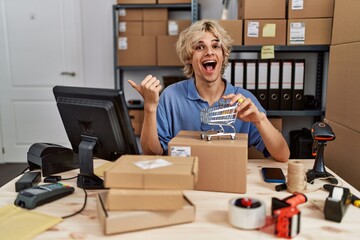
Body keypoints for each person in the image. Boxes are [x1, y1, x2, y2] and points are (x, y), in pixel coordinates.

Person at [128, 19, 290, 162]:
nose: (209, 52)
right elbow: (151, 153)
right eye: (200, 47)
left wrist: (260, 120)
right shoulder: (171, 96)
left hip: (228, 181)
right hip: (185, 180)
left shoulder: (244, 100)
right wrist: (150, 108)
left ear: (223, 55)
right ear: (188, 58)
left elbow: (283, 155)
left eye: (215, 46)